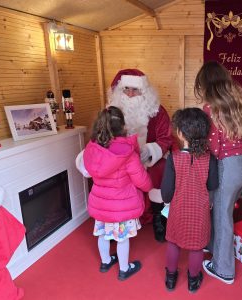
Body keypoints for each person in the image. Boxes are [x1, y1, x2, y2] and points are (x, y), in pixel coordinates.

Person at [194, 61, 242, 284]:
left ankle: (223, 269)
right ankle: (214, 248)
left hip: (228, 166)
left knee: (222, 216)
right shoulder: (235, 103)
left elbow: (213, 147)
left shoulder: (211, 108)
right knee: (221, 209)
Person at [82, 106, 153, 281]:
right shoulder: (127, 153)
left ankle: (105, 262)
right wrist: (150, 186)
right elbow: (141, 180)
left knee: (103, 235)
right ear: (123, 126)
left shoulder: (92, 149)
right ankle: (124, 269)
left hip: (101, 204)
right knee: (122, 238)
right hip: (122, 205)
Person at [108, 69, 173, 243]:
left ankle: (159, 217)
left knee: (161, 170)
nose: (130, 94)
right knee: (114, 176)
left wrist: (149, 152)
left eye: (135, 89)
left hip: (150, 160)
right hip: (122, 160)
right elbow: (104, 136)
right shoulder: (112, 113)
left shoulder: (157, 112)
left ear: (144, 91)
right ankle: (116, 222)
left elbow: (166, 138)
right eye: (126, 89)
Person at [161, 108, 218, 293]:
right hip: (200, 211)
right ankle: (193, 281)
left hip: (178, 209)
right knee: (197, 247)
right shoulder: (210, 159)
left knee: (173, 242)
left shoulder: (173, 158)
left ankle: (170, 278)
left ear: (179, 132)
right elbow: (213, 184)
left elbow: (166, 193)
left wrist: (167, 198)